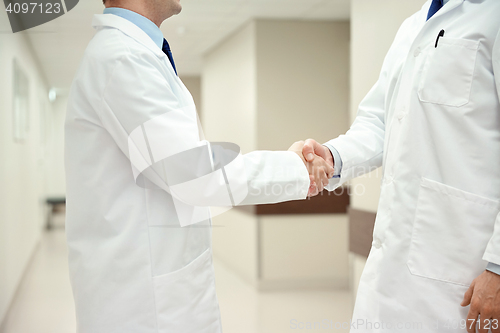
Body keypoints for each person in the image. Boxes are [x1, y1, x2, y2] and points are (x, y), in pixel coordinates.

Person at [64, 0, 332, 332]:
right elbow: (196, 174)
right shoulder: (122, 59)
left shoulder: (136, 55)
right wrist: (296, 168)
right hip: (143, 308)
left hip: (154, 292)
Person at [303, 0, 500, 332]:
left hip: (464, 273)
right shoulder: (412, 26)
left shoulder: (491, 14)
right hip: (390, 269)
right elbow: (378, 122)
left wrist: (498, 268)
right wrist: (333, 157)